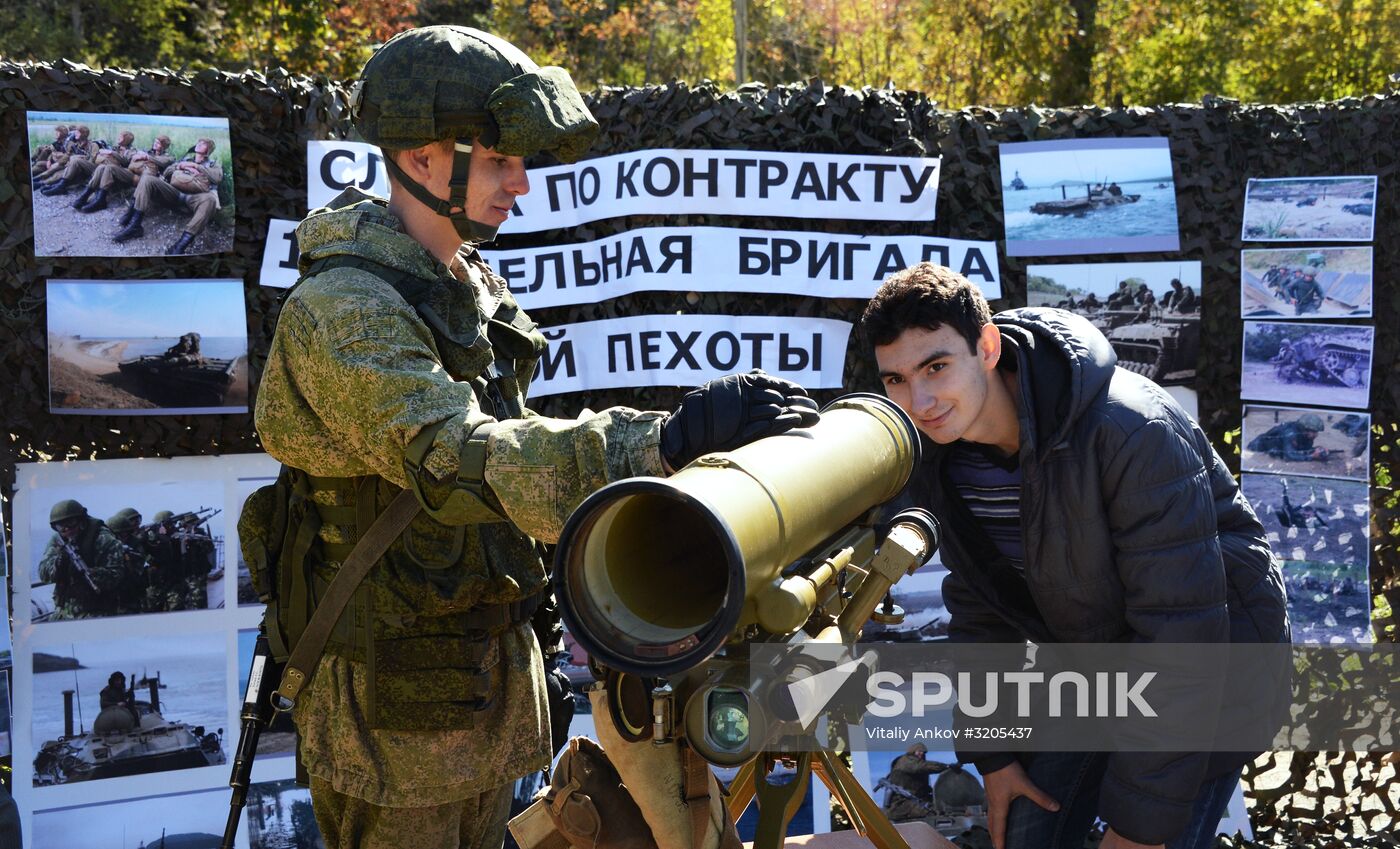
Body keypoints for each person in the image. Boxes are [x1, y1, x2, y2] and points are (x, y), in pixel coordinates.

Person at [251, 25, 819, 849]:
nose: (520, 182)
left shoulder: (462, 283)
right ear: (419, 158)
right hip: (396, 718)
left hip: (481, 691)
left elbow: (507, 473)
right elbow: (461, 459)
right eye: (496, 159)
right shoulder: (344, 312)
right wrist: (659, 443)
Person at [859, 263, 1288, 849]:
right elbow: (982, 608)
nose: (921, 399)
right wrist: (996, 756)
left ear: (986, 347)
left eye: (936, 366)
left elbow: (1183, 633)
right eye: (897, 380)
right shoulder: (943, 452)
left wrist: (1137, 831)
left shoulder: (1131, 430)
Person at [113, 137, 223, 255]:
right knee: (147, 179)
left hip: (194, 198)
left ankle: (180, 246)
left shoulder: (213, 165)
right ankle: (135, 226)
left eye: (204, 144)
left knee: (210, 199)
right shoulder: (185, 159)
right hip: (173, 192)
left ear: (208, 150)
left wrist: (197, 167)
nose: (199, 144)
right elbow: (167, 172)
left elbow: (217, 178)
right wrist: (181, 166)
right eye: (199, 142)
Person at [36, 499, 127, 620]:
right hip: (63, 610)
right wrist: (60, 562)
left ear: (81, 521)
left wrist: (89, 574)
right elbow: (44, 574)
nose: (66, 529)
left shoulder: (103, 539)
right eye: (61, 526)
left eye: (71, 523)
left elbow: (116, 576)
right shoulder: (59, 539)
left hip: (96, 611)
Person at [83, 135, 175, 215]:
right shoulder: (147, 151)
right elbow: (131, 159)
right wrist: (139, 156)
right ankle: (100, 199)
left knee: (145, 178)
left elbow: (163, 162)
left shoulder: (168, 156)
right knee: (109, 167)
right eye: (155, 142)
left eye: (158, 143)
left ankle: (132, 212)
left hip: (144, 179)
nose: (155, 144)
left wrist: (146, 157)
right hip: (131, 173)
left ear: (164, 147)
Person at [881, 743, 950, 822]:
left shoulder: (918, 766)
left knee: (942, 807)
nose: (921, 754)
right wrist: (946, 766)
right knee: (932, 812)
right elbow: (922, 766)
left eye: (923, 752)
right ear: (912, 751)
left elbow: (922, 788)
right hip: (901, 805)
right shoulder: (906, 761)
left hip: (916, 801)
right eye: (919, 751)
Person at [107, 507, 154, 614]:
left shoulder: (135, 543)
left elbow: (138, 567)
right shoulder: (105, 546)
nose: (136, 523)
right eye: (133, 520)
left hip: (131, 593)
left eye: (138, 520)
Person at [36, 125, 98, 193]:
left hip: (91, 169)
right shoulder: (76, 145)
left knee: (74, 159)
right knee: (62, 169)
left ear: (84, 134)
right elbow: (68, 155)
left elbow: (92, 160)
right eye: (76, 132)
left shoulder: (93, 145)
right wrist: (59, 163)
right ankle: (45, 183)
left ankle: (59, 185)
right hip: (77, 167)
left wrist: (80, 158)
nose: (75, 134)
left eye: (78, 132)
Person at [1247, 413, 1328, 462]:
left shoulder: (1304, 435)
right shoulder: (1290, 433)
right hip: (1256, 448)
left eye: (1316, 432)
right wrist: (1312, 457)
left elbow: (1302, 449)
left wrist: (1317, 450)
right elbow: (1289, 457)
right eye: (1313, 432)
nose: (1316, 435)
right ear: (1304, 429)